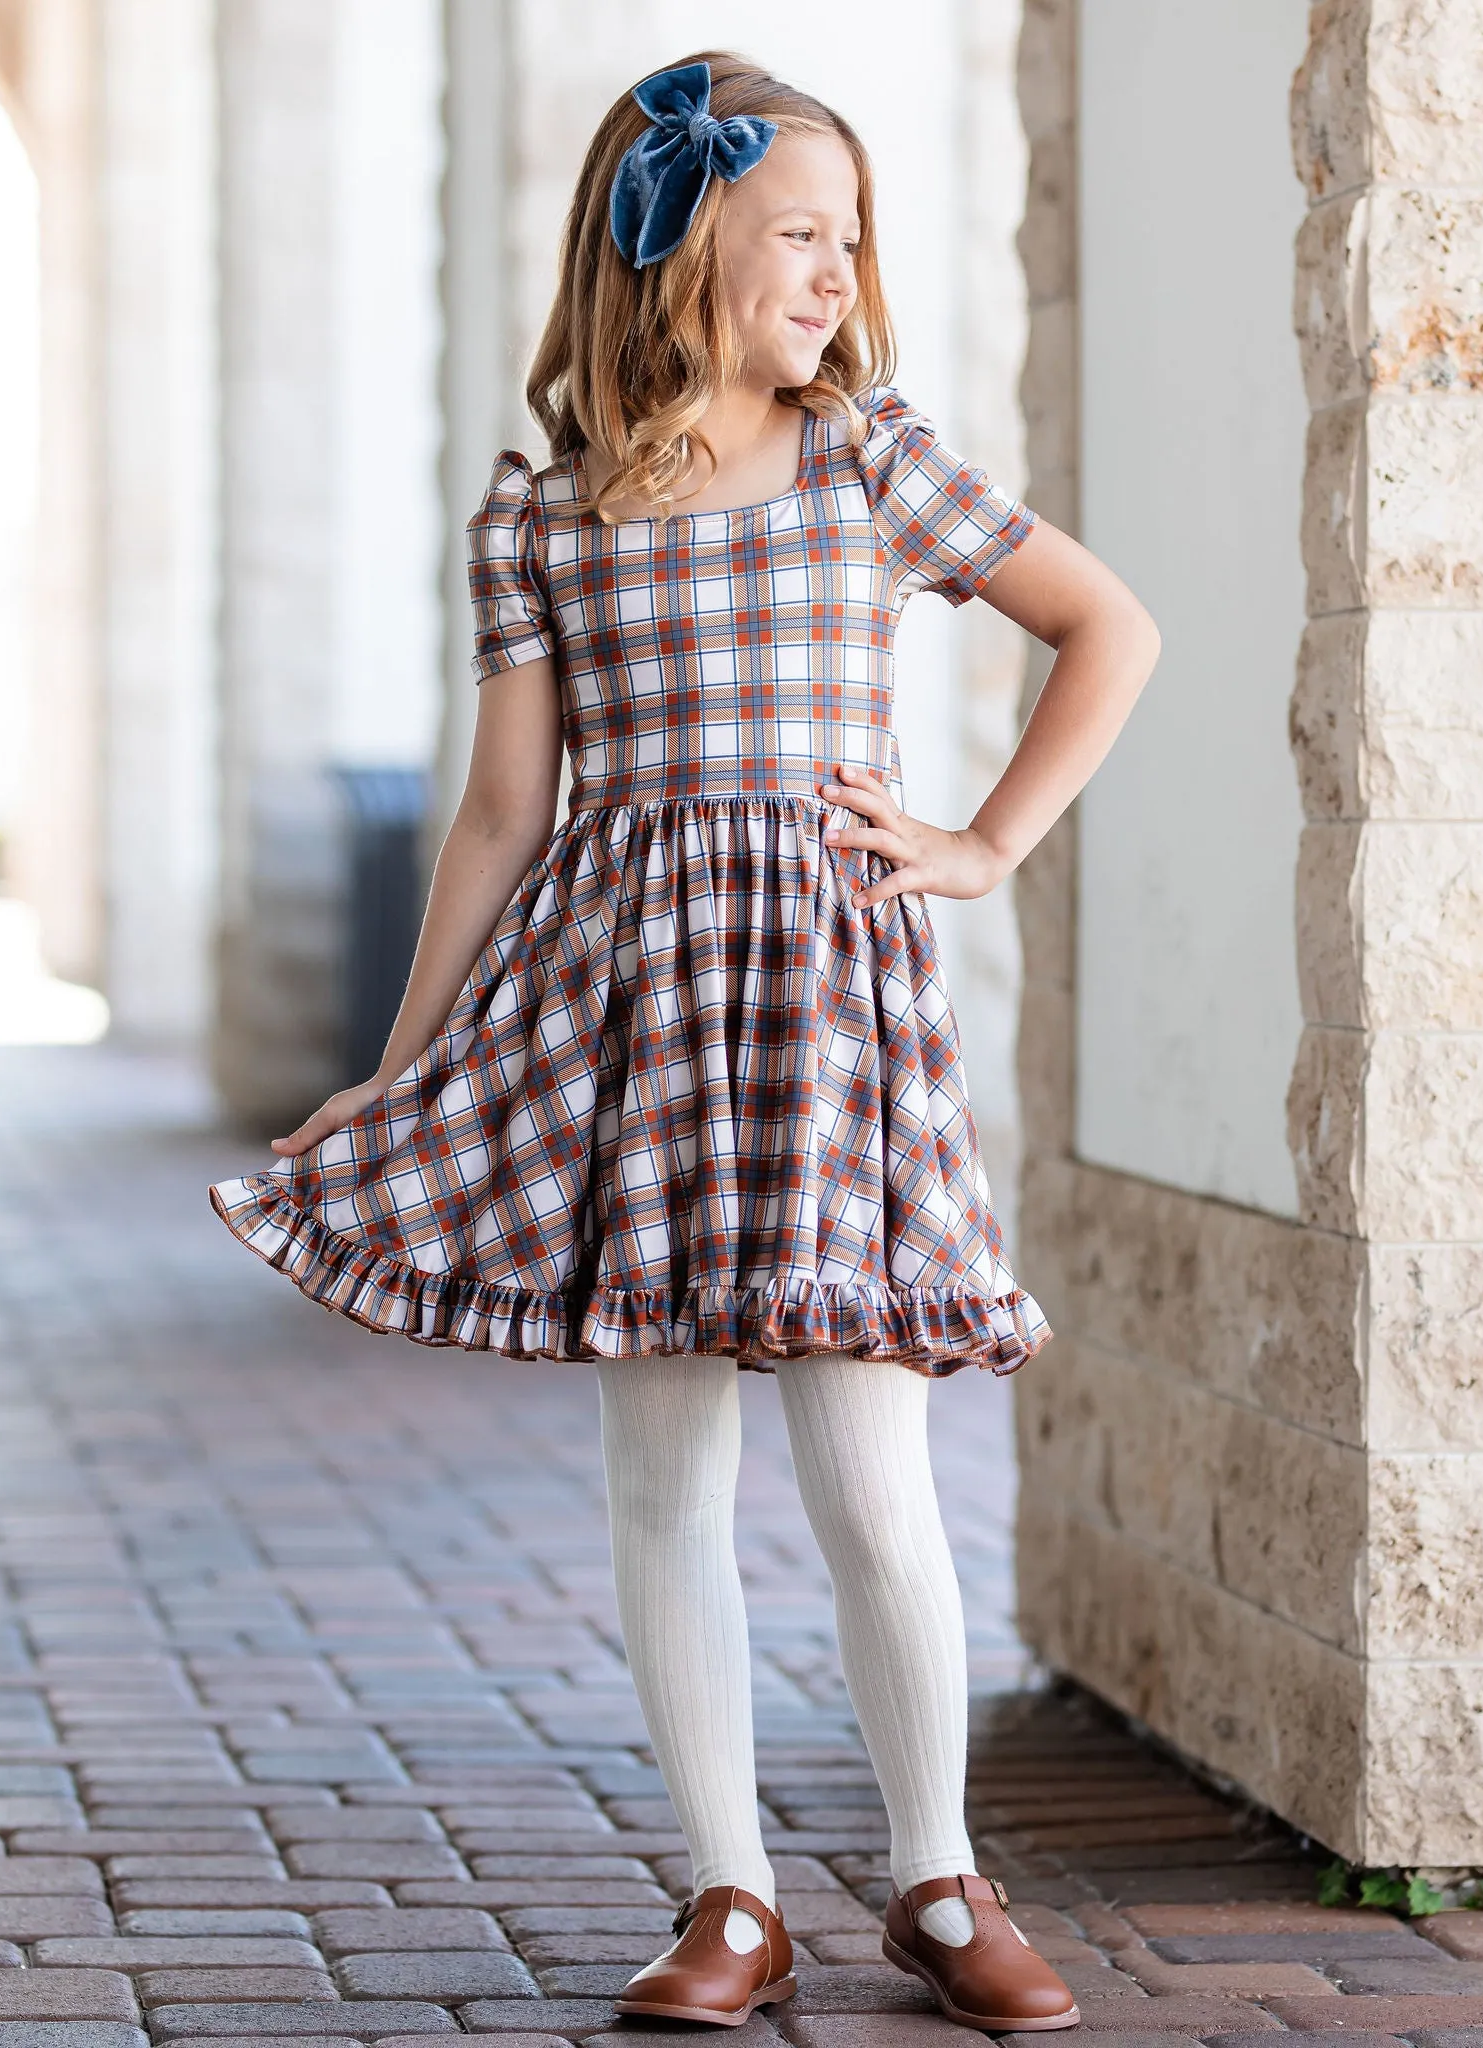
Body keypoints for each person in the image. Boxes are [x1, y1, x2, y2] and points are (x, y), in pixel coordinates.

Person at [211, 52, 1156, 2033]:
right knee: (663, 1472)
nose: (834, 270)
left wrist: (985, 840)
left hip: (826, 1014)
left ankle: (933, 1875)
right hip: (627, 1008)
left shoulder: (870, 456)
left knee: (872, 1473)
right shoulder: (545, 510)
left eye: (849, 236)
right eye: (796, 230)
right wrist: (405, 1061)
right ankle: (729, 1893)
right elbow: (498, 819)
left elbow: (1107, 627)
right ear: (678, 246)